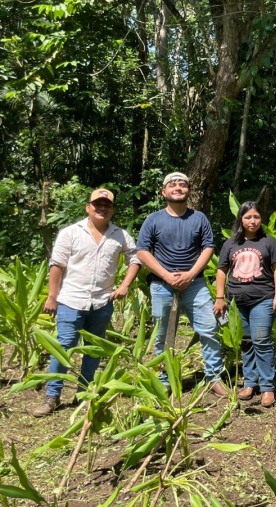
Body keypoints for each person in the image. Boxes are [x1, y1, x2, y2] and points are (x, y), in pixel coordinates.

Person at [31, 189, 141, 417]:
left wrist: (125, 285)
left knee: (93, 349)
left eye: (107, 205)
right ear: (88, 207)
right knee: (63, 348)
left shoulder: (120, 235)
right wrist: (52, 297)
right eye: (97, 204)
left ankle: (85, 393)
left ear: (112, 209)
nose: (102, 208)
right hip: (71, 300)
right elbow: (57, 265)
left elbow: (135, 258)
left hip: (102, 301)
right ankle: (53, 396)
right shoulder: (71, 232)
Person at [136, 172, 226, 396]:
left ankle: (214, 376)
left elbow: (208, 247)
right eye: (172, 185)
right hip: (161, 284)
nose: (178, 187)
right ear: (163, 192)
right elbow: (142, 251)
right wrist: (166, 275)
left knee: (209, 329)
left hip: (194, 283)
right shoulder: (153, 220)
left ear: (189, 191)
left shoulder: (199, 218)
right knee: (163, 334)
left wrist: (191, 273)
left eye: (183, 185)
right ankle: (164, 378)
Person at [214, 202, 276, 407]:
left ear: (261, 219)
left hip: (262, 298)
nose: (252, 221)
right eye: (247, 217)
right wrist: (220, 297)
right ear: (240, 220)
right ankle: (250, 383)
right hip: (237, 302)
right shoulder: (230, 244)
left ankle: (267, 387)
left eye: (256, 216)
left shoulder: (269, 242)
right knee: (245, 342)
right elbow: (221, 270)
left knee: (262, 341)